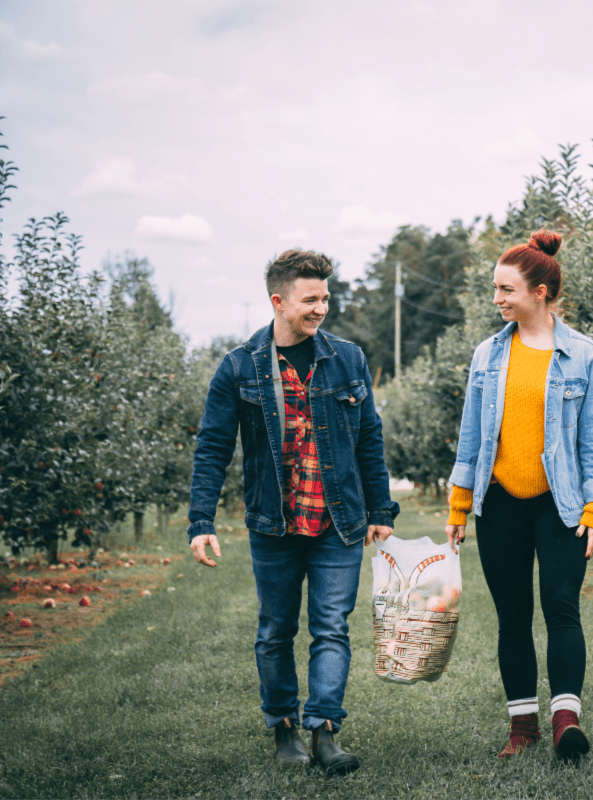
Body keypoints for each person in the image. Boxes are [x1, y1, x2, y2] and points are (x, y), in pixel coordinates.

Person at [187, 249, 399, 776]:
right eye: (311, 299)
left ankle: (324, 730)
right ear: (278, 301)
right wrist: (201, 522)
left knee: (331, 627)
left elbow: (369, 438)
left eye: (326, 297)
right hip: (274, 522)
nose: (322, 307)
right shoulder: (239, 367)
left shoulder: (347, 358)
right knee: (275, 631)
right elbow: (213, 446)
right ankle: (283, 727)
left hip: (338, 520)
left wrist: (381, 508)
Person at [444, 230, 593, 760]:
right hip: (500, 504)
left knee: (562, 608)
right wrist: (459, 503)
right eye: (495, 288)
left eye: (505, 289)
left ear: (539, 291)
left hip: (560, 504)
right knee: (512, 615)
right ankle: (523, 727)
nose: (496, 299)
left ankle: (566, 721)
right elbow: (471, 435)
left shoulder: (584, 355)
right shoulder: (487, 355)